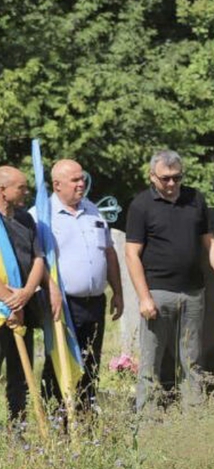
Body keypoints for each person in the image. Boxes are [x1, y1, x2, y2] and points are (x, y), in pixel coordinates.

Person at [125, 150, 214, 412]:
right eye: (165, 179)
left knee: (192, 361)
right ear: (152, 176)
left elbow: (210, 242)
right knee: (151, 362)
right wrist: (144, 297)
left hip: (193, 293)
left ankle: (193, 417)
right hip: (158, 294)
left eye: (177, 178)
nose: (172, 184)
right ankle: (147, 420)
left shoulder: (195, 199)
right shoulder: (141, 205)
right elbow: (132, 254)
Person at [38, 159, 124, 411]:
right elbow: (36, 259)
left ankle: (86, 418)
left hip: (95, 302)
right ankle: (57, 419)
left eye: (82, 178)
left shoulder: (92, 211)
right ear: (57, 185)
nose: (81, 183)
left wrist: (118, 292)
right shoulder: (42, 215)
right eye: (74, 180)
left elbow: (108, 253)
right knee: (61, 363)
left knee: (91, 361)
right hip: (62, 303)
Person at [0, 166, 47, 424]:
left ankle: (17, 429)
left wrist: (26, 293)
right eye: (21, 187)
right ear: (3, 191)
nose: (26, 191)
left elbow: (38, 256)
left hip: (22, 307)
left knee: (20, 373)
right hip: (3, 308)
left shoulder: (25, 219)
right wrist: (9, 300)